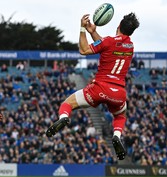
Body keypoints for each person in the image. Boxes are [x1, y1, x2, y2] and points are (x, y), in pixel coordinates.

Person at [45, 12, 140, 161]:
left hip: (99, 88)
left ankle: (64, 118)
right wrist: (93, 32)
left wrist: (83, 29)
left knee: (67, 104)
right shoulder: (130, 46)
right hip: (118, 92)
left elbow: (84, 50)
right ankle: (116, 136)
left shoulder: (109, 41)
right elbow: (108, 48)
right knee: (120, 116)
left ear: (118, 26)